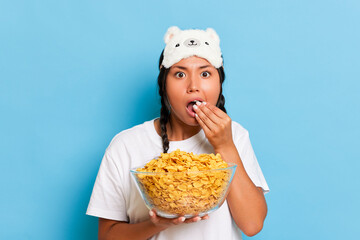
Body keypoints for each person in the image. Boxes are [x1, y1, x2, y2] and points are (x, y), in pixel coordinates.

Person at [86, 26, 270, 240]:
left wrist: (224, 145)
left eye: (205, 73)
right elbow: (107, 236)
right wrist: (157, 224)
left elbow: (253, 224)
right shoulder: (126, 145)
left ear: (219, 83)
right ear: (164, 85)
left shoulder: (235, 136)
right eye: (180, 74)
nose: (193, 86)